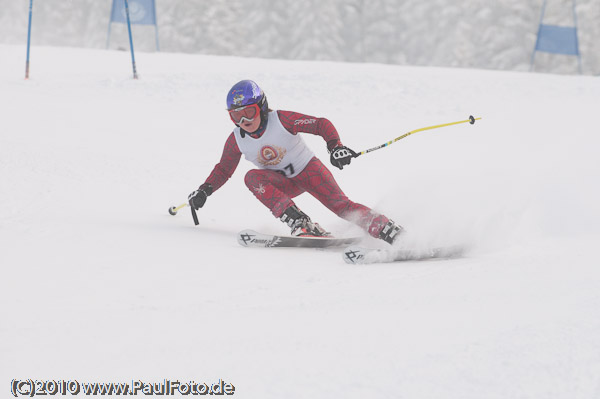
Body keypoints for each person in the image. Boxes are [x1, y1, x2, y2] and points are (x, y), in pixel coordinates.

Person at [188, 80, 403, 244]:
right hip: (282, 184)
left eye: (249, 113)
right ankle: (300, 222)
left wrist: (335, 146)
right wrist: (204, 190)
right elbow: (224, 169)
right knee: (251, 177)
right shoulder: (236, 140)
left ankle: (389, 230)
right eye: (236, 117)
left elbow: (320, 124)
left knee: (342, 207)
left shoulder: (281, 120)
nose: (244, 122)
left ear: (261, 107)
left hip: (309, 172)